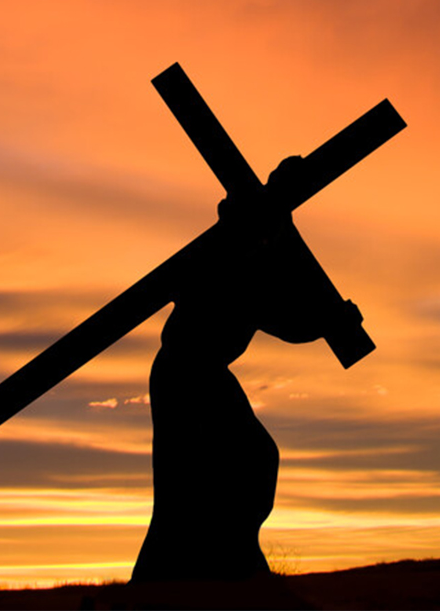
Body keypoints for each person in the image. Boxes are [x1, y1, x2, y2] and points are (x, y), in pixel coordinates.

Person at [131, 160, 335, 583]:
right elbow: (281, 316)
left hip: (205, 373)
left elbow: (283, 319)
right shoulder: (228, 254)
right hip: (184, 372)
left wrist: (327, 322)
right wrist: (323, 323)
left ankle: (234, 557)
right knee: (183, 485)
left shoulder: (255, 258)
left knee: (253, 457)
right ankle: (172, 579)